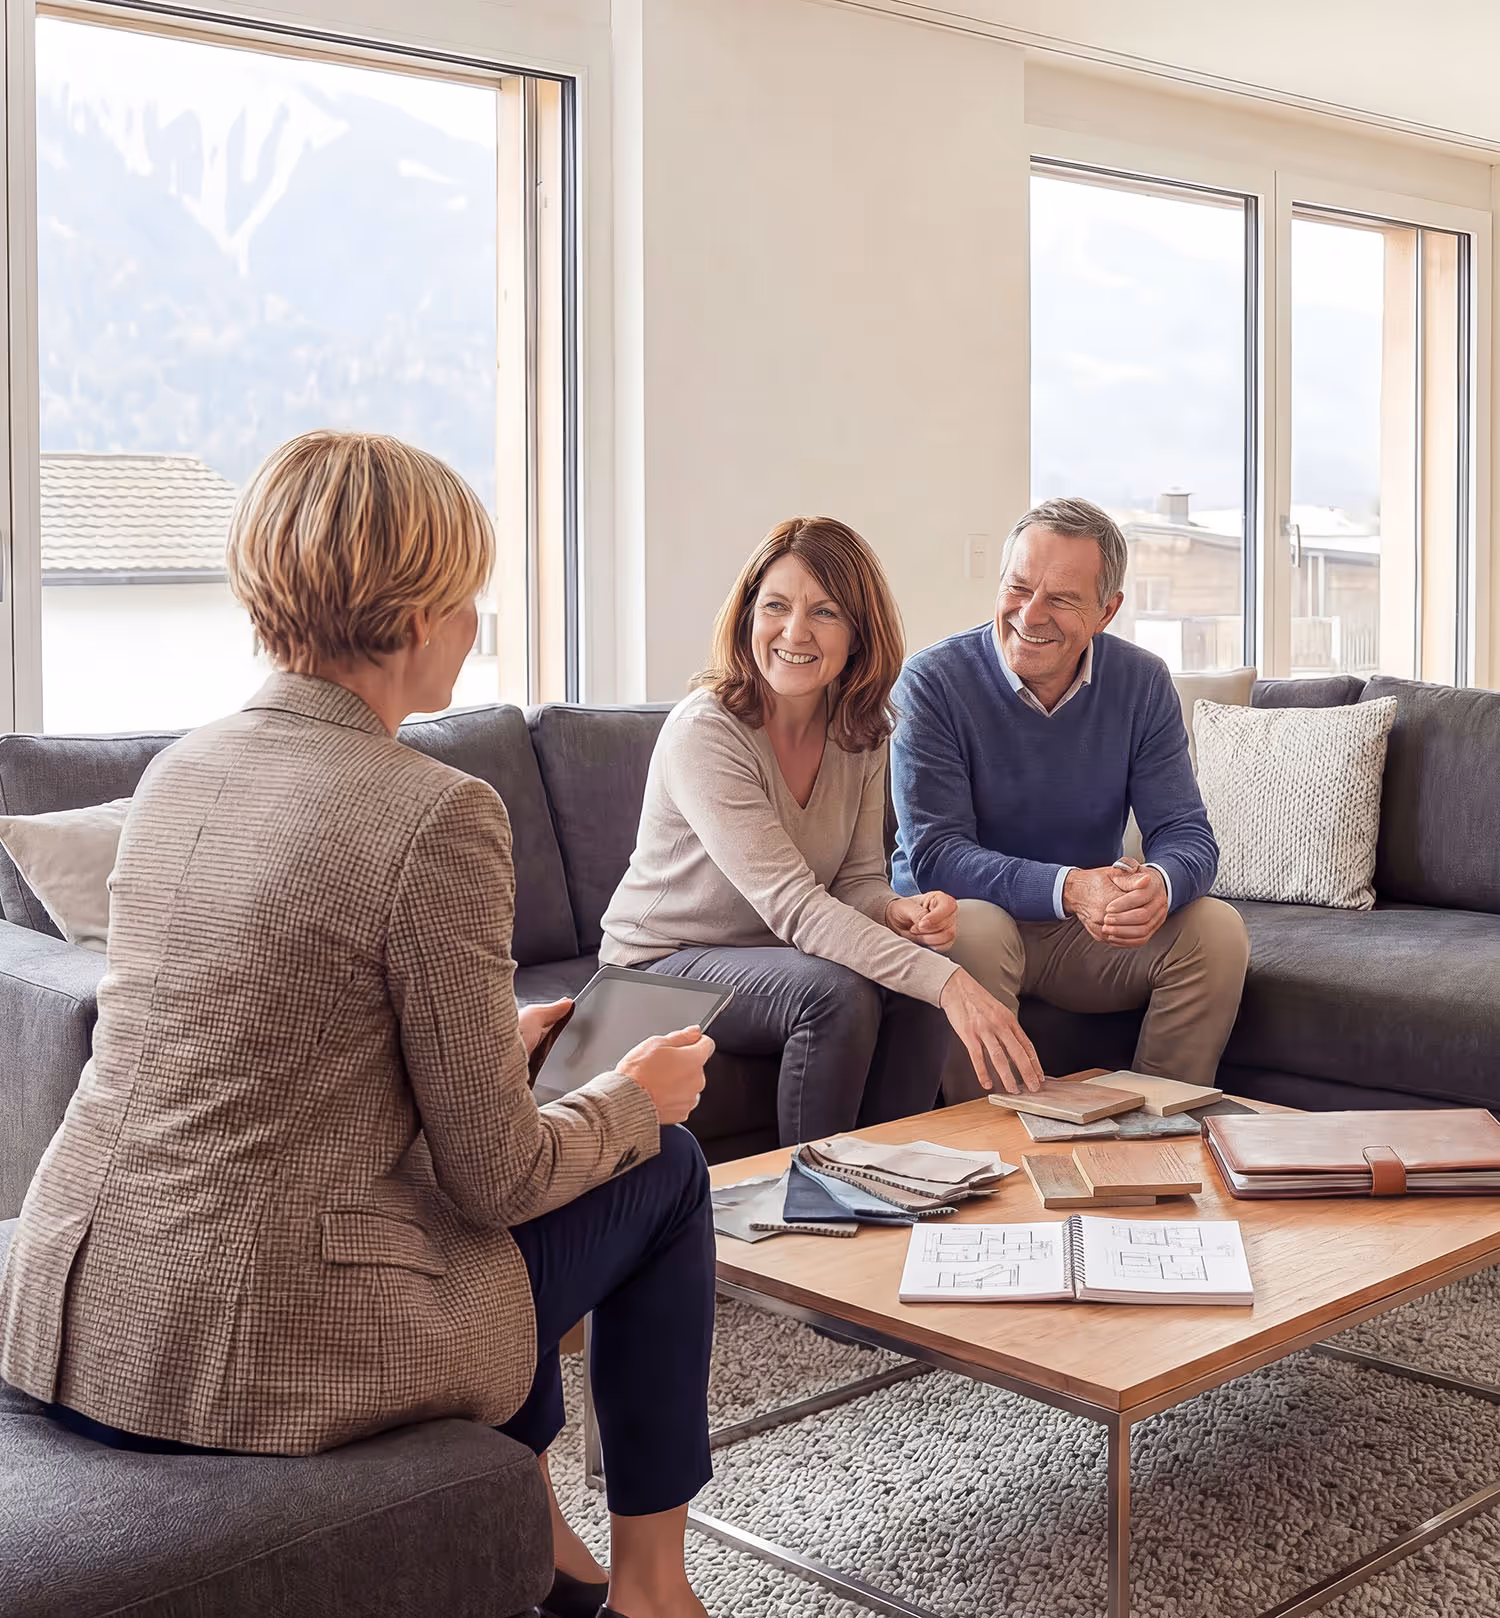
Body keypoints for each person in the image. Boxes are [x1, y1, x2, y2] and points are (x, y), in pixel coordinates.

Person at [0, 430, 717, 1618]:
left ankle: (541, 1536)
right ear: (412, 612)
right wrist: (633, 1097)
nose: (475, 625)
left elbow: (276, 1040)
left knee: (510, 1183)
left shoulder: (183, 768)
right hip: (248, 1352)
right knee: (666, 1165)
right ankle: (655, 1585)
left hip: (71, 1309)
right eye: (466, 597)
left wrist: (500, 1046)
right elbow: (498, 1176)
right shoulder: (437, 812)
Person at [600, 516, 1043, 1146]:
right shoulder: (707, 732)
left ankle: (898, 1181)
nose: (795, 632)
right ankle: (811, 1202)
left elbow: (856, 879)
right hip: (654, 967)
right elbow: (796, 907)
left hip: (770, 955)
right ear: (747, 616)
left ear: (859, 631)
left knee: (915, 972)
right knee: (838, 992)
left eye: (825, 612)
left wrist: (899, 913)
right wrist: (951, 984)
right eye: (775, 606)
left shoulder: (861, 729)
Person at [891, 496, 1251, 1100]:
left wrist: (1158, 885)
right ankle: (996, 1152)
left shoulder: (1141, 682)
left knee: (1215, 929)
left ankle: (1157, 1129)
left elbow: (1187, 833)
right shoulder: (933, 682)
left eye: (1060, 598)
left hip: (1077, 936)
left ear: (1106, 611)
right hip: (963, 917)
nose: (1030, 614)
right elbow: (936, 856)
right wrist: (1074, 887)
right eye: (1018, 587)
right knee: (974, 929)